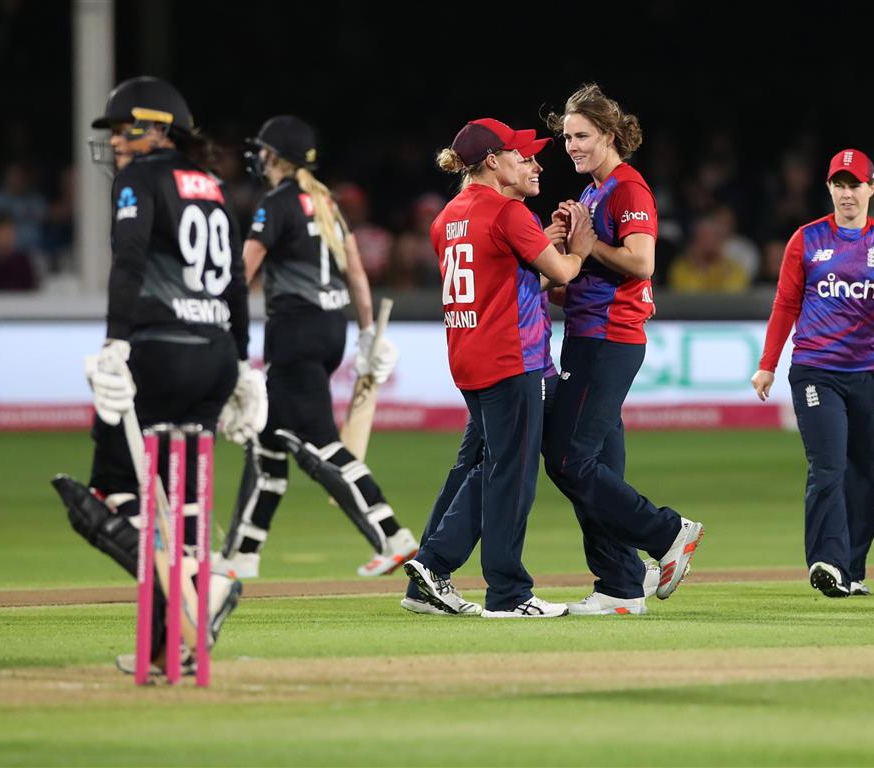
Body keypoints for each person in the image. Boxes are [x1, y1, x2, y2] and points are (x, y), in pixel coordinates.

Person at [50, 76, 257, 675]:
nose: (115, 144)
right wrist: (242, 364)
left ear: (157, 128)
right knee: (180, 506)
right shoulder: (214, 186)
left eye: (122, 131)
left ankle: (203, 588)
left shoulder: (141, 178)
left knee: (108, 495)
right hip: (214, 355)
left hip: (159, 352)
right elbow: (238, 284)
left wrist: (115, 342)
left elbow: (130, 259)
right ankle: (175, 642)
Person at [403, 117, 594, 618]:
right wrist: (580, 247)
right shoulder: (508, 213)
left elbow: (497, 268)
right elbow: (563, 273)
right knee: (511, 475)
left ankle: (426, 576)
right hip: (513, 358)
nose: (528, 162)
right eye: (518, 154)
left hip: (468, 356)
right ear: (493, 160)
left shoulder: (447, 216)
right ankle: (505, 591)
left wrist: (536, 241)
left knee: (478, 465)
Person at [213, 115, 414, 580]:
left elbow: (244, 273)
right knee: (267, 440)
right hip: (331, 329)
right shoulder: (325, 201)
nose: (258, 158)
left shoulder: (276, 203)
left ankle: (391, 534)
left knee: (321, 442)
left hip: (295, 332)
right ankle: (241, 552)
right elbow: (357, 273)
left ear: (276, 157)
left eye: (263, 151)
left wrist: (218, 321)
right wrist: (367, 333)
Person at [544, 84, 705, 617]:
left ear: (609, 135)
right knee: (595, 465)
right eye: (567, 137)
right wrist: (563, 258)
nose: (572, 145)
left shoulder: (627, 190)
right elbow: (587, 276)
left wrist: (588, 248)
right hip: (589, 334)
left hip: (608, 339)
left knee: (566, 458)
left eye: (582, 135)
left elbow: (642, 263)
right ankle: (618, 585)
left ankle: (666, 532)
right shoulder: (594, 193)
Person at [751, 148, 874, 598]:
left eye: (855, 184)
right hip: (816, 371)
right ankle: (826, 561)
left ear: (872, 188)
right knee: (828, 465)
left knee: (863, 471)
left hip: (870, 373)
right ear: (829, 188)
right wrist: (768, 364)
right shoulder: (806, 240)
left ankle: (852, 568)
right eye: (839, 184)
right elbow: (785, 304)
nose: (847, 193)